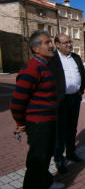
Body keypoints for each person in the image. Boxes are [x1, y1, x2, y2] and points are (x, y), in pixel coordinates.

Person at [10, 30, 64, 189]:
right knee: (37, 161)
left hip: (48, 121)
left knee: (46, 156)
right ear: (36, 49)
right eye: (47, 43)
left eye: (51, 42)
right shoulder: (31, 68)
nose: (51, 45)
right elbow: (17, 102)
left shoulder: (45, 66)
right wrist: (21, 122)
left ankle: (46, 183)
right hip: (39, 124)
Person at [49, 34, 85, 174]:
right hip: (60, 101)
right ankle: (59, 159)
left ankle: (71, 153)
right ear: (57, 45)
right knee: (59, 131)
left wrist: (80, 90)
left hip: (74, 99)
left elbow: (83, 74)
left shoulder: (76, 57)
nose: (69, 45)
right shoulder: (52, 59)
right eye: (65, 43)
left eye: (70, 42)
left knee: (72, 128)